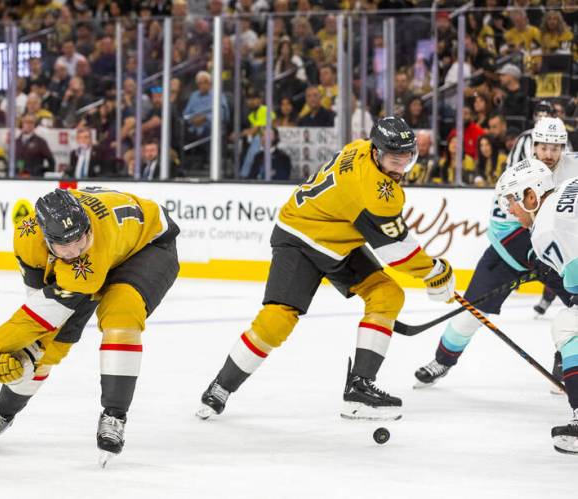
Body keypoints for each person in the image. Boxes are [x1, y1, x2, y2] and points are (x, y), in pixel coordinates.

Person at [197, 117, 456, 422]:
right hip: (300, 237)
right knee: (277, 319)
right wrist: (435, 271)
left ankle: (359, 389)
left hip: (336, 239)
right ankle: (221, 386)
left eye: (406, 159)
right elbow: (397, 251)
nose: (400, 168)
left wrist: (430, 270)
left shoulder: (360, 148)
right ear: (376, 153)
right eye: (393, 159)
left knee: (387, 295)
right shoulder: (373, 191)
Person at [0, 187, 180, 465]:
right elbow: (38, 307)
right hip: (112, 245)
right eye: (64, 245)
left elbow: (46, 315)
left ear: (86, 226)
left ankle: (114, 415)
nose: (74, 250)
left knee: (121, 314)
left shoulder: (92, 251)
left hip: (149, 248)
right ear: (46, 238)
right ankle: (2, 414)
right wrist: (21, 352)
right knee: (42, 348)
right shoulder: (27, 236)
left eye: (79, 239)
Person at [414, 118, 578, 388]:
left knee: (574, 312)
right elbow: (503, 226)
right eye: (544, 147)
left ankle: (566, 366)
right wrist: (535, 256)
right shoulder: (520, 175)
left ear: (564, 147)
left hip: (556, 257)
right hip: (509, 256)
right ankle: (442, 361)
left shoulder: (573, 167)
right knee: (471, 312)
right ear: (534, 146)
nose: (549, 154)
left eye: (555, 148)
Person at [493, 161, 578, 454]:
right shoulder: (570, 185)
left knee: (568, 325)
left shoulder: (544, 231)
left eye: (512, 200)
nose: (511, 211)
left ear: (531, 197)